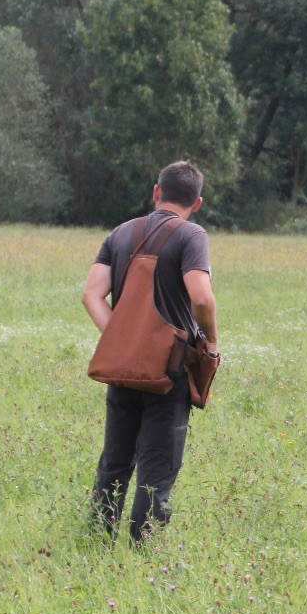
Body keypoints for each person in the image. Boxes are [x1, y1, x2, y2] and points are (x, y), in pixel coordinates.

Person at [81, 161, 219, 543]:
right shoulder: (192, 235)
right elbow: (202, 298)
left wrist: (123, 338)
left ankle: (97, 540)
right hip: (168, 370)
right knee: (158, 466)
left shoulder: (121, 232)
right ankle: (145, 548)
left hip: (124, 367)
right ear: (198, 202)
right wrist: (211, 341)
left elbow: (91, 294)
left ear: (156, 192)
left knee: (114, 461)